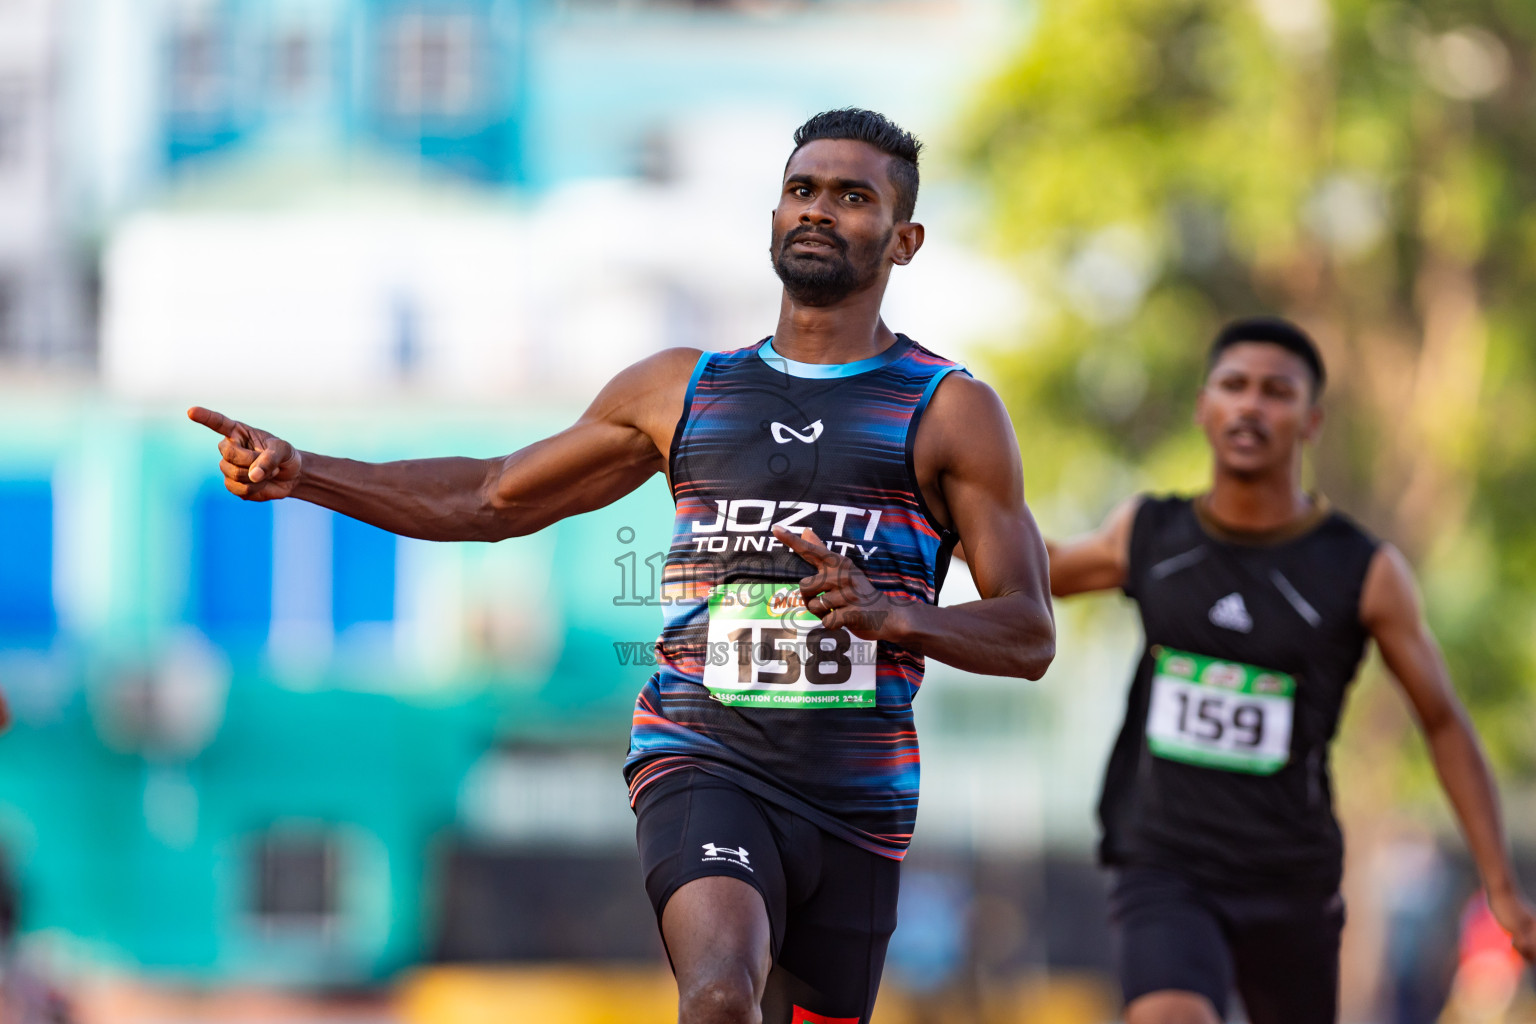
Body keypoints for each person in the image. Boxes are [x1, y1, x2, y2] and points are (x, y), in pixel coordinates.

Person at [189, 108, 1055, 1024]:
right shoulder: (682, 390)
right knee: (720, 996)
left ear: (904, 239)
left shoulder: (948, 411)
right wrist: (307, 474)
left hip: (857, 795)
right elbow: (491, 496)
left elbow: (1029, 632)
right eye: (801, 191)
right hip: (704, 757)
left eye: (852, 197)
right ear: (772, 217)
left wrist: (897, 616)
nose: (817, 212)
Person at [1045, 317, 1536, 1024]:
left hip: (1289, 876)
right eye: (1233, 386)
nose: (1251, 406)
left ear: (1312, 420)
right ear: (1203, 407)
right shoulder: (1151, 533)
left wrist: (1502, 887)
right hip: (1162, 861)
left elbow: (1442, 721)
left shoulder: (1363, 571)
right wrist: (942, 500)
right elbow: (1048, 570)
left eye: (1276, 392)